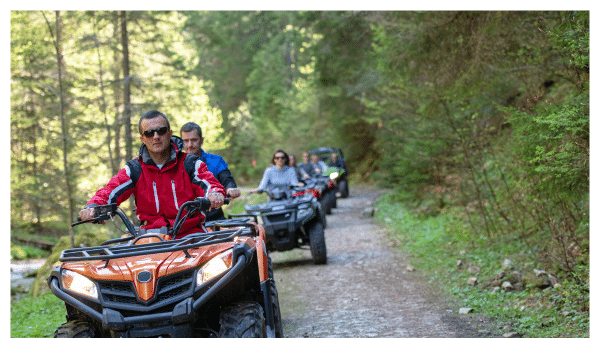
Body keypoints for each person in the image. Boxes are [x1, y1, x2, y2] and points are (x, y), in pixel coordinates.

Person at [79, 110, 226, 239]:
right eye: (149, 133)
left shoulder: (190, 163)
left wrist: (214, 194)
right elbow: (110, 190)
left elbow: (209, 183)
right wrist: (93, 206)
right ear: (142, 138)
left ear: (170, 133)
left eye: (161, 131)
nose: (156, 137)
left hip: (190, 236)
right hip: (151, 238)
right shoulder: (134, 169)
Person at [180, 122, 240, 221]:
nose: (189, 145)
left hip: (214, 220)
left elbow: (227, 179)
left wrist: (230, 189)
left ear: (201, 140)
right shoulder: (174, 164)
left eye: (194, 140)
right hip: (184, 222)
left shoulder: (216, 161)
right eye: (186, 141)